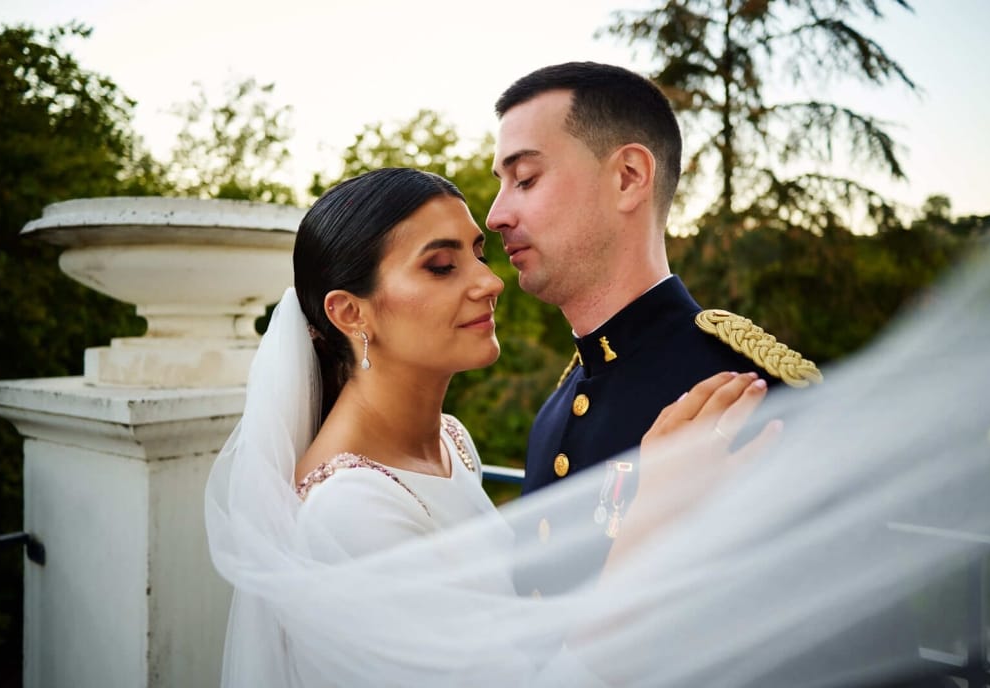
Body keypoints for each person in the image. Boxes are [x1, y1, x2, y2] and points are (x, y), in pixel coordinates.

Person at [205, 167, 778, 687]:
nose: (490, 281)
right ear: (350, 313)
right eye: (441, 267)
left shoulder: (450, 441)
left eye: (479, 254)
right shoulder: (349, 511)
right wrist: (653, 522)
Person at [485, 61, 822, 593]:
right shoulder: (558, 406)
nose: (496, 215)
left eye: (525, 178)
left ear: (628, 177)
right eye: (502, 184)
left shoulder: (745, 393)